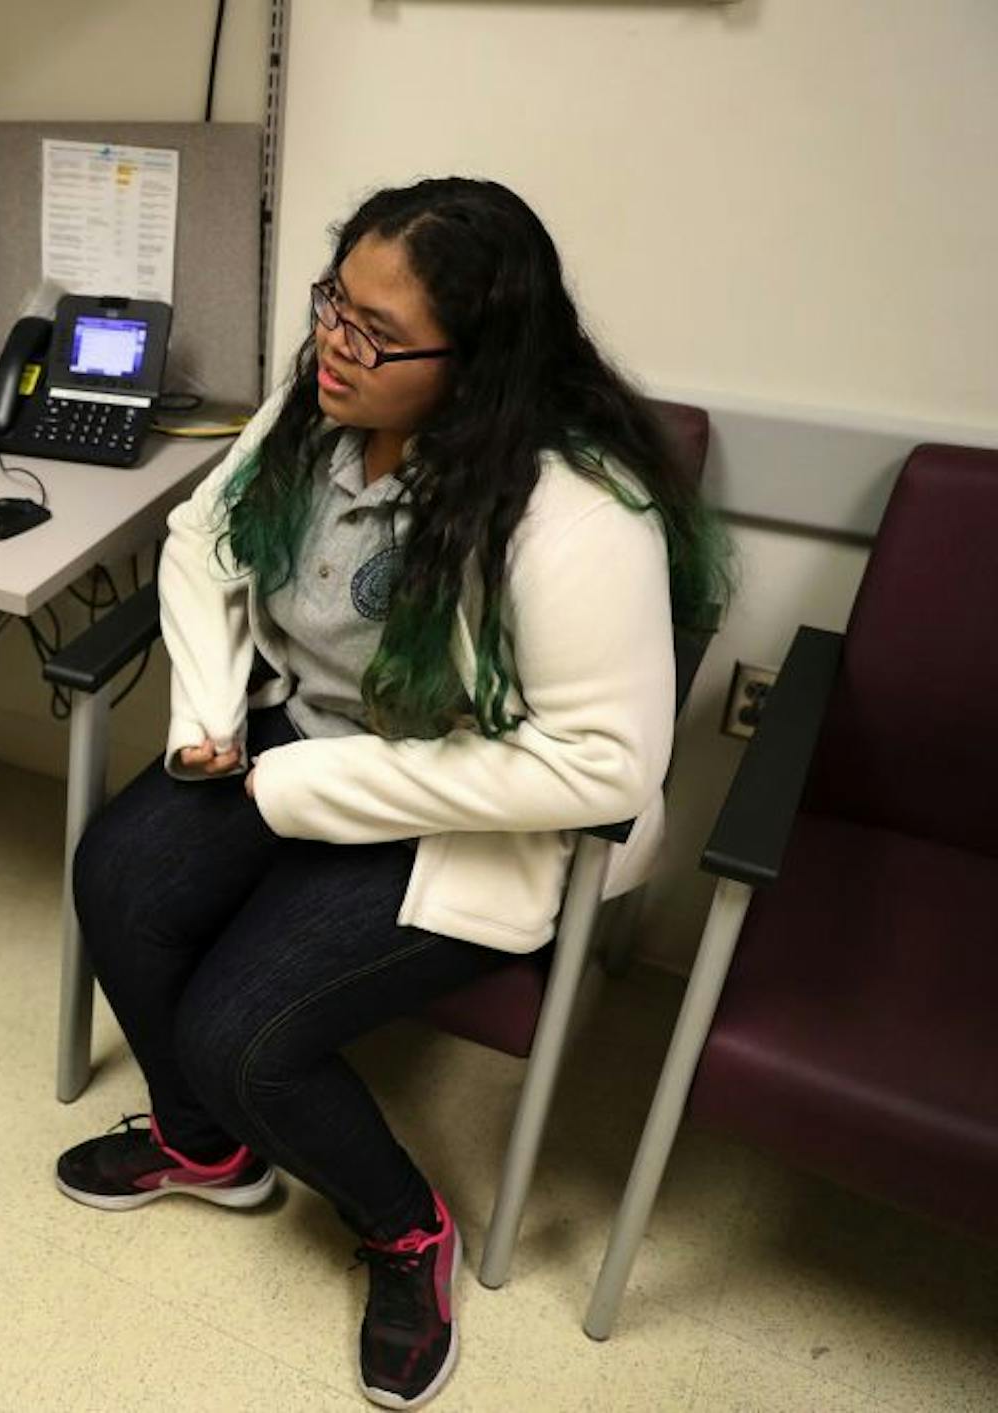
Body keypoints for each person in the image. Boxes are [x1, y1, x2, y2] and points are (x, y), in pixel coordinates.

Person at [51, 178, 729, 1409]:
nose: (333, 346)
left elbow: (604, 767)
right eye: (332, 305)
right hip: (286, 747)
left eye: (374, 331)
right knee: (120, 876)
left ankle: (406, 1229)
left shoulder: (575, 514)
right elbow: (205, 534)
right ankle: (208, 1152)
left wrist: (318, 784)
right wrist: (206, 711)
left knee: (240, 1035)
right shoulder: (321, 404)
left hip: (461, 814)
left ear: (476, 365)